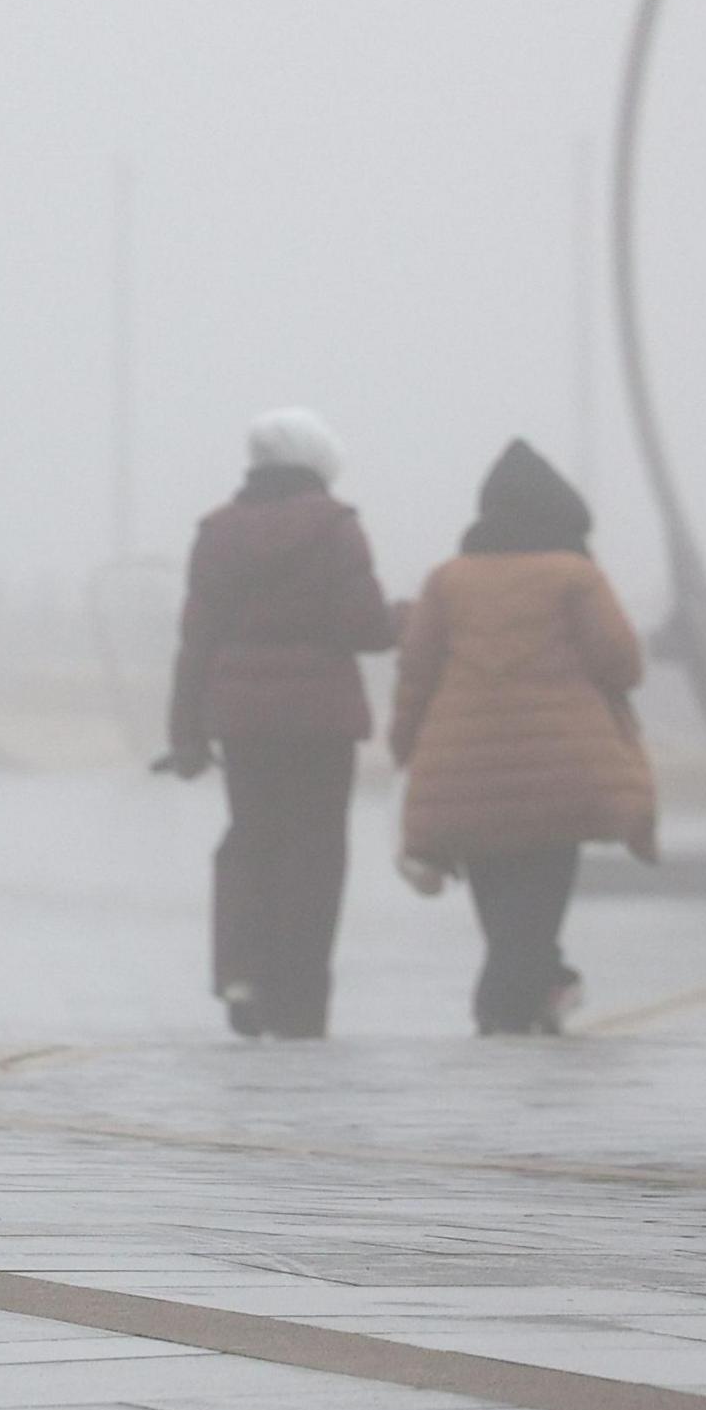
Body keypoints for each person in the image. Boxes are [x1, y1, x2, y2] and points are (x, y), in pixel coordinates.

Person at [391, 440, 655, 1035]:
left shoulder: (447, 580)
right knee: (537, 897)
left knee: (501, 901)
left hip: (466, 768)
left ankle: (538, 988)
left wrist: (405, 746)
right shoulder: (574, 576)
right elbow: (622, 665)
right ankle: (504, 1011)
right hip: (562, 767)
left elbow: (417, 673)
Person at [161, 409, 398, 1040]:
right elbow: (365, 627)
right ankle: (299, 1005)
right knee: (315, 856)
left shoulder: (218, 532)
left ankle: (241, 971)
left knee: (251, 839)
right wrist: (411, 617)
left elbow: (196, 640)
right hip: (321, 721)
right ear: (320, 465)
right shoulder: (337, 528)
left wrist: (185, 735)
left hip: (242, 719)